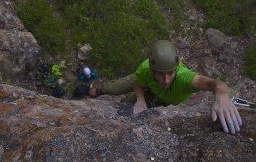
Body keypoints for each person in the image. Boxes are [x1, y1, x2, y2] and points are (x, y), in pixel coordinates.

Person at [90, 40, 242, 134]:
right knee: (115, 88)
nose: (166, 79)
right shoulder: (145, 69)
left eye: (170, 73)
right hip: (147, 84)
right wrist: (140, 99)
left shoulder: (183, 77)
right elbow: (137, 83)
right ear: (153, 70)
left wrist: (222, 96)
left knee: (130, 107)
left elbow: (214, 83)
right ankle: (98, 90)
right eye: (161, 74)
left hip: (160, 96)